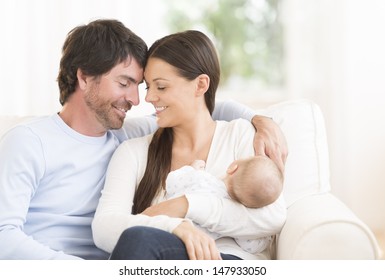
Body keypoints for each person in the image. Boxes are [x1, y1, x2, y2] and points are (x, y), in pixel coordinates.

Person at [0, 19, 287, 260]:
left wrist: (261, 120)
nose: (139, 99)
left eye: (142, 86)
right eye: (125, 84)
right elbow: (3, 236)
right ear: (84, 77)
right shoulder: (29, 142)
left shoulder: (126, 132)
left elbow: (197, 109)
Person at [92, 30, 287, 260]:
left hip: (228, 262)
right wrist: (173, 227)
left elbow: (272, 216)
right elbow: (104, 228)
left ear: (201, 85)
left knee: (140, 238)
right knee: (139, 239)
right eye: (148, 87)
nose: (149, 98)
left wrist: (186, 205)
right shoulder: (133, 152)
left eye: (161, 87)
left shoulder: (242, 135)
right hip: (164, 261)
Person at [164, 156, 284, 254]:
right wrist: (266, 239)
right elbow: (251, 247)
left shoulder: (202, 178)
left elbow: (171, 182)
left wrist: (190, 169)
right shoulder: (234, 221)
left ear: (232, 168)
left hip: (162, 220)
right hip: (182, 247)